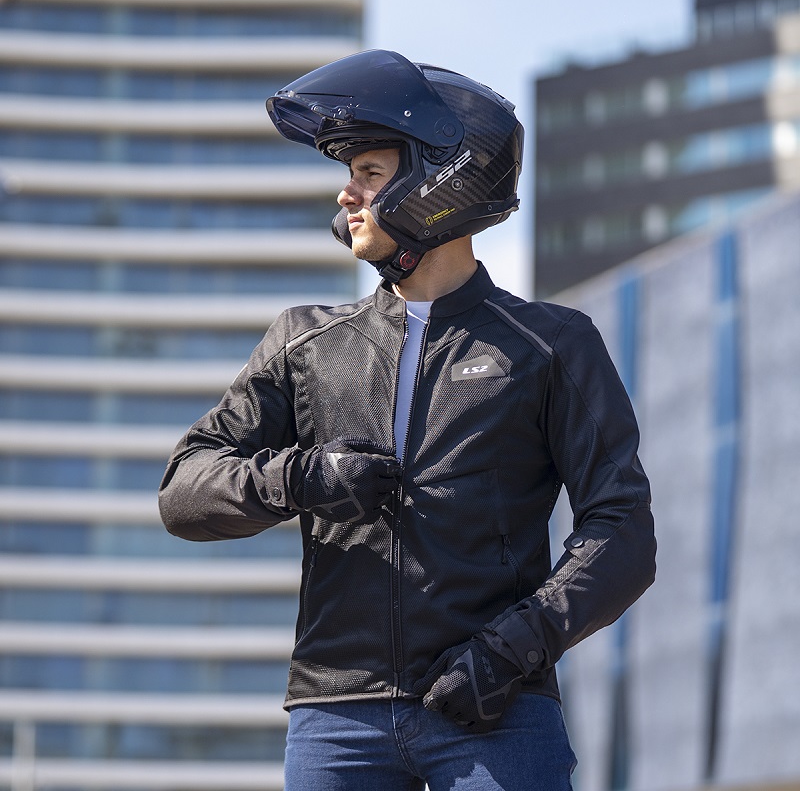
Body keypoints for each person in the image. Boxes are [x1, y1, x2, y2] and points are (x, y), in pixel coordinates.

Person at [159, 49, 656, 790]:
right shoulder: (305, 340)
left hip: (497, 711)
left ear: (441, 179)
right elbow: (183, 493)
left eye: (369, 171)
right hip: (337, 719)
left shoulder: (551, 344)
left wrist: (512, 649)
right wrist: (301, 478)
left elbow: (623, 531)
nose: (346, 194)